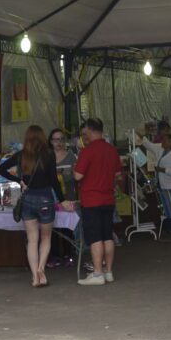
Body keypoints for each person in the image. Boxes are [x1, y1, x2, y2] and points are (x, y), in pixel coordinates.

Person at [0, 125, 65, 287]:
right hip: (46, 199)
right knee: (46, 237)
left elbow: (0, 169)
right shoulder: (49, 154)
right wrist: (62, 200)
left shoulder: (21, 155)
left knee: (32, 240)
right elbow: (54, 181)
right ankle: (41, 269)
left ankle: (34, 277)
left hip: (27, 199)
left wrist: (19, 180)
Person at [74, 118, 122, 286]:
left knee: (95, 238)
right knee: (107, 236)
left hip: (91, 200)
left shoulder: (87, 151)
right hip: (108, 199)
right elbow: (117, 175)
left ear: (90, 130)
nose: (83, 135)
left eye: (85, 132)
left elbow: (77, 176)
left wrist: (76, 168)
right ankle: (108, 271)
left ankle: (97, 273)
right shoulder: (112, 150)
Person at [47, 128, 78, 269]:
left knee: (67, 227)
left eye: (61, 139)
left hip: (68, 197)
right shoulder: (47, 157)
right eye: (55, 140)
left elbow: (77, 177)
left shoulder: (72, 157)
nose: (58, 143)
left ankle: (68, 255)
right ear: (50, 141)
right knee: (52, 227)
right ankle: (54, 256)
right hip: (50, 198)